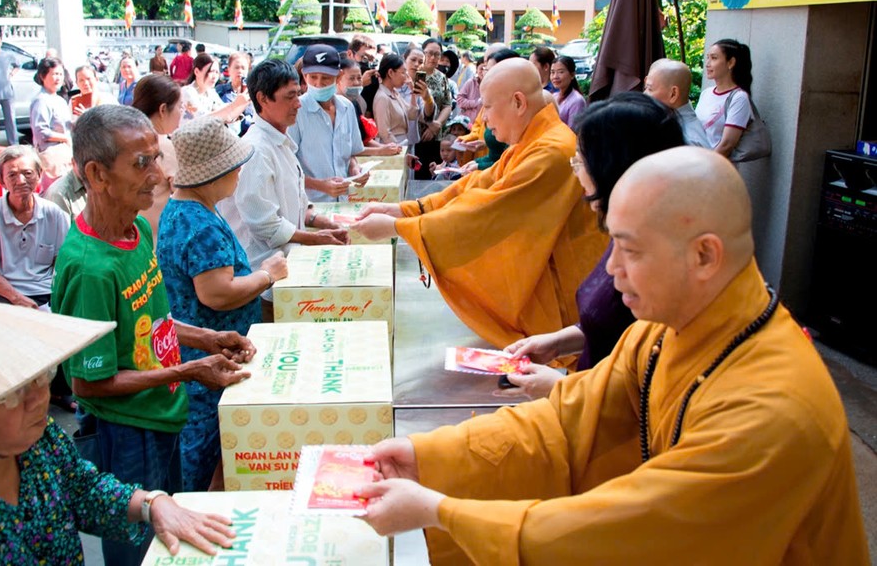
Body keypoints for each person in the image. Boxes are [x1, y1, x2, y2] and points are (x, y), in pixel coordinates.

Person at [358, 146, 870, 565]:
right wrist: (429, 456)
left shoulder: (772, 408)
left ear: (705, 255)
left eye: (631, 250)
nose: (613, 271)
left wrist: (444, 511)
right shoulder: (662, 332)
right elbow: (565, 420)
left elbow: (641, 528)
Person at [51, 104, 255, 566]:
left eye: (157, 158)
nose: (160, 174)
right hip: (126, 433)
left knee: (171, 541)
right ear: (97, 174)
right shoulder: (90, 268)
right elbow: (87, 384)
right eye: (142, 163)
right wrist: (187, 370)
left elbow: (151, 320)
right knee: (139, 550)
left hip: (163, 415)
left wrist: (205, 339)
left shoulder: (138, 227)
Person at [0, 295, 242, 565]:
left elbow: (81, 488)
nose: (41, 398)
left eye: (42, 377)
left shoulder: (41, 439)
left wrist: (153, 504)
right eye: (14, 393)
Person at [353, 59, 607, 348]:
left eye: (487, 106)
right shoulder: (534, 142)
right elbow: (478, 185)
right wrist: (406, 209)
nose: (483, 119)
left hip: (569, 299)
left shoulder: (550, 152)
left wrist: (398, 227)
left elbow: (485, 213)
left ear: (518, 102)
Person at [505, 93, 685, 397]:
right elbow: (612, 323)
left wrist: (561, 388)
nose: (615, 265)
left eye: (580, 160)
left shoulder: (663, 258)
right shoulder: (627, 227)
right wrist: (559, 341)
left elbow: (650, 385)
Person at [157, 117, 288, 492]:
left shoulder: (186, 210)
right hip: (209, 361)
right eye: (235, 168)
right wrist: (268, 274)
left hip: (203, 352)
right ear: (213, 175)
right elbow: (216, 293)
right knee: (200, 455)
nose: (239, 175)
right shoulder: (200, 225)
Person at [216, 60, 348, 321]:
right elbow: (266, 226)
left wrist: (322, 223)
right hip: (262, 282)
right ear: (263, 99)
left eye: (298, 94)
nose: (298, 103)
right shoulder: (256, 150)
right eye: (290, 97)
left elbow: (296, 205)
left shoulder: (280, 143)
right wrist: (316, 238)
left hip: (285, 272)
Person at [0, 145, 69, 308]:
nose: (21, 181)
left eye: (28, 173)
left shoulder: (55, 215)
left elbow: (61, 264)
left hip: (44, 289)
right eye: (12, 175)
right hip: (2, 290)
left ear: (39, 175)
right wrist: (17, 298)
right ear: (2, 181)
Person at [290, 44, 368, 203]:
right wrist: (320, 185)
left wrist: (354, 168)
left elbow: (351, 153)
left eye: (325, 78)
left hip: (342, 201)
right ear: (304, 76)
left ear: (338, 77)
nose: (319, 84)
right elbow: (286, 168)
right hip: (309, 206)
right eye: (313, 77)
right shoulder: (296, 112)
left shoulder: (347, 108)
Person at [131, 73, 183, 244]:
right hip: (156, 245)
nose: (181, 113)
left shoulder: (125, 144)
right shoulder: (164, 147)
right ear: (162, 110)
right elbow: (184, 199)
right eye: (179, 107)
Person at [459, 48, 520, 174]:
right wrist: (478, 162)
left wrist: (480, 167)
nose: (484, 74)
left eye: (489, 70)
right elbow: (478, 124)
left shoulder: (515, 109)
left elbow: (510, 163)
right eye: (485, 68)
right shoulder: (492, 98)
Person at [695, 39, 754, 158]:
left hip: (716, 168)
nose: (707, 63)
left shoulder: (739, 98)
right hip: (696, 161)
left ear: (731, 62)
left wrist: (703, 167)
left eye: (714, 58)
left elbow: (727, 145)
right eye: (708, 57)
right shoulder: (706, 93)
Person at [644, 58, 710, 147]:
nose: (644, 94)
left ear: (673, 94)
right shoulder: (670, 123)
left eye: (650, 89)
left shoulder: (686, 141)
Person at [30, 57, 74, 190]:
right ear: (43, 76)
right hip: (52, 156)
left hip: (65, 154)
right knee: (54, 193)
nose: (58, 78)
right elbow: (41, 132)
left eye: (60, 74)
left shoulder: (59, 99)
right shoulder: (41, 101)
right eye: (54, 74)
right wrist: (64, 138)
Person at [415, 38, 454, 179]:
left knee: (433, 173)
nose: (433, 58)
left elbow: (447, 104)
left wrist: (436, 125)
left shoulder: (441, 77)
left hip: (436, 136)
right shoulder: (415, 74)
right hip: (417, 135)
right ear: (423, 53)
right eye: (429, 53)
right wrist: (429, 125)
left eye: (437, 54)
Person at [181, 53, 249, 125]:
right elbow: (203, 119)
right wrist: (235, 104)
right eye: (211, 72)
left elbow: (227, 116)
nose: (214, 76)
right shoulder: (188, 92)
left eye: (217, 72)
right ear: (197, 72)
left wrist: (243, 103)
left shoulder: (211, 93)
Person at [372, 53, 421, 146]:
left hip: (402, 142)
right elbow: (384, 132)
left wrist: (413, 92)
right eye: (403, 73)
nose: (406, 77)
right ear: (390, 73)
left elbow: (412, 115)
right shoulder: (382, 97)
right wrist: (397, 149)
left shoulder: (395, 93)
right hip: (392, 145)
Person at [551, 55, 587, 128]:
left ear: (572, 75)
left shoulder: (577, 101)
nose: (555, 76)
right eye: (552, 72)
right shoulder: (554, 96)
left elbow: (573, 131)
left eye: (561, 72)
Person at [348, 34, 380, 115]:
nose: (368, 63)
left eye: (372, 59)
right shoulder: (340, 74)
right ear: (350, 54)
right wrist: (361, 84)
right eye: (364, 58)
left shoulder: (373, 78)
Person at [455, 58, 483, 126]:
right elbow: (459, 100)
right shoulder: (471, 83)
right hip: (467, 124)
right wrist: (476, 103)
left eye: (486, 69)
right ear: (476, 69)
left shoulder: (493, 86)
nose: (483, 72)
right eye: (481, 68)